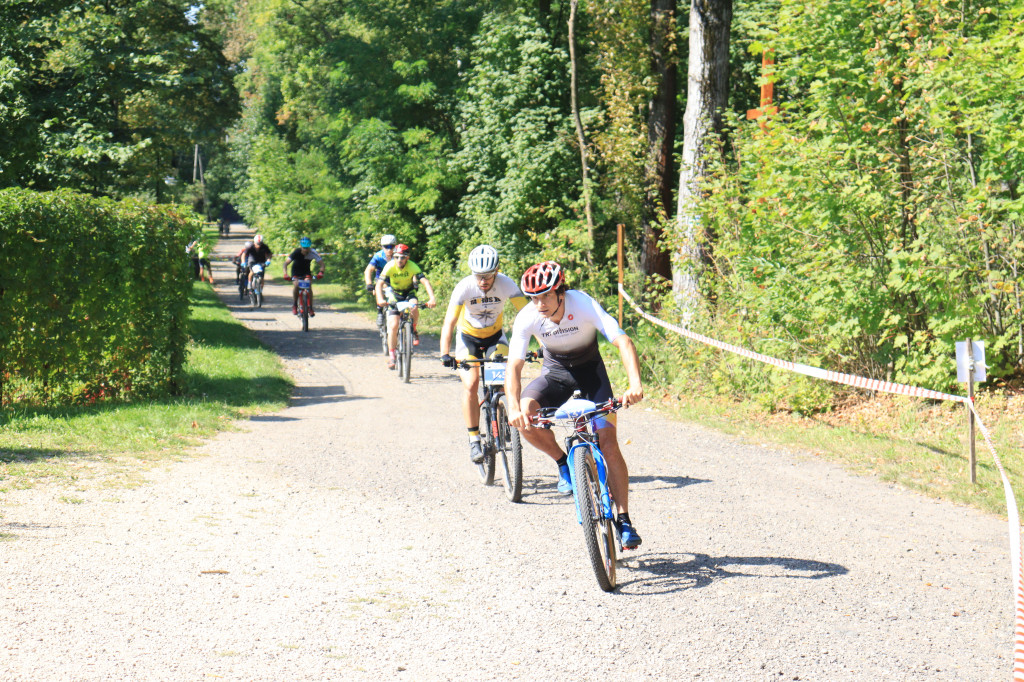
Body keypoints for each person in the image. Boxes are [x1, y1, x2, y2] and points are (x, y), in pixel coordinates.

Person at [505, 261, 645, 549]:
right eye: (534, 297)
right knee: (526, 415)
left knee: (608, 443)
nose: (539, 303)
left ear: (560, 291)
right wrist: (512, 407)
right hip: (554, 373)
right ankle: (562, 463)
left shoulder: (582, 303)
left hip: (591, 374)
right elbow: (514, 367)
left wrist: (634, 384)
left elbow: (623, 341)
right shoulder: (527, 316)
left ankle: (624, 520)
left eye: (545, 296)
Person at [438, 245, 528, 464]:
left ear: (496, 271)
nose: (483, 281)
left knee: (503, 378)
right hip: (468, 339)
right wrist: (445, 353)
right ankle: (474, 440)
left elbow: (527, 314)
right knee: (471, 384)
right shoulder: (464, 287)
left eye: (487, 276)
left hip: (495, 338)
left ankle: (502, 415)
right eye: (478, 276)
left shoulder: (507, 284)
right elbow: (449, 322)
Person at [375, 244, 436, 369]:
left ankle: (413, 329)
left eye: (402, 257)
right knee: (393, 325)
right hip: (394, 294)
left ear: (407, 258)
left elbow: (425, 281)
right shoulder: (390, 266)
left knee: (414, 306)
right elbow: (379, 283)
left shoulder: (412, 266)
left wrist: (432, 298)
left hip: (408, 293)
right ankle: (392, 356)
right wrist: (380, 299)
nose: (399, 260)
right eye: (396, 257)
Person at [283, 237, 325, 315]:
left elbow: (322, 264)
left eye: (307, 248)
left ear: (310, 247)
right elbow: (285, 263)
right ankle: (295, 305)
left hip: (306, 271)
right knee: (296, 285)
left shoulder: (313, 252)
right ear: (301, 247)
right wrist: (285, 274)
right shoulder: (296, 252)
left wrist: (321, 273)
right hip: (296, 271)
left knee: (308, 286)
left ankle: (310, 307)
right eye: (304, 248)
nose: (306, 250)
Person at [364, 234, 397, 328]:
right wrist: (369, 284)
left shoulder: (398, 256)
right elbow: (368, 270)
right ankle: (380, 311)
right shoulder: (378, 256)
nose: (389, 249)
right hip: (381, 278)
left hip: (395, 278)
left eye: (392, 246)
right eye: (386, 247)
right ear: (382, 247)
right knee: (380, 288)